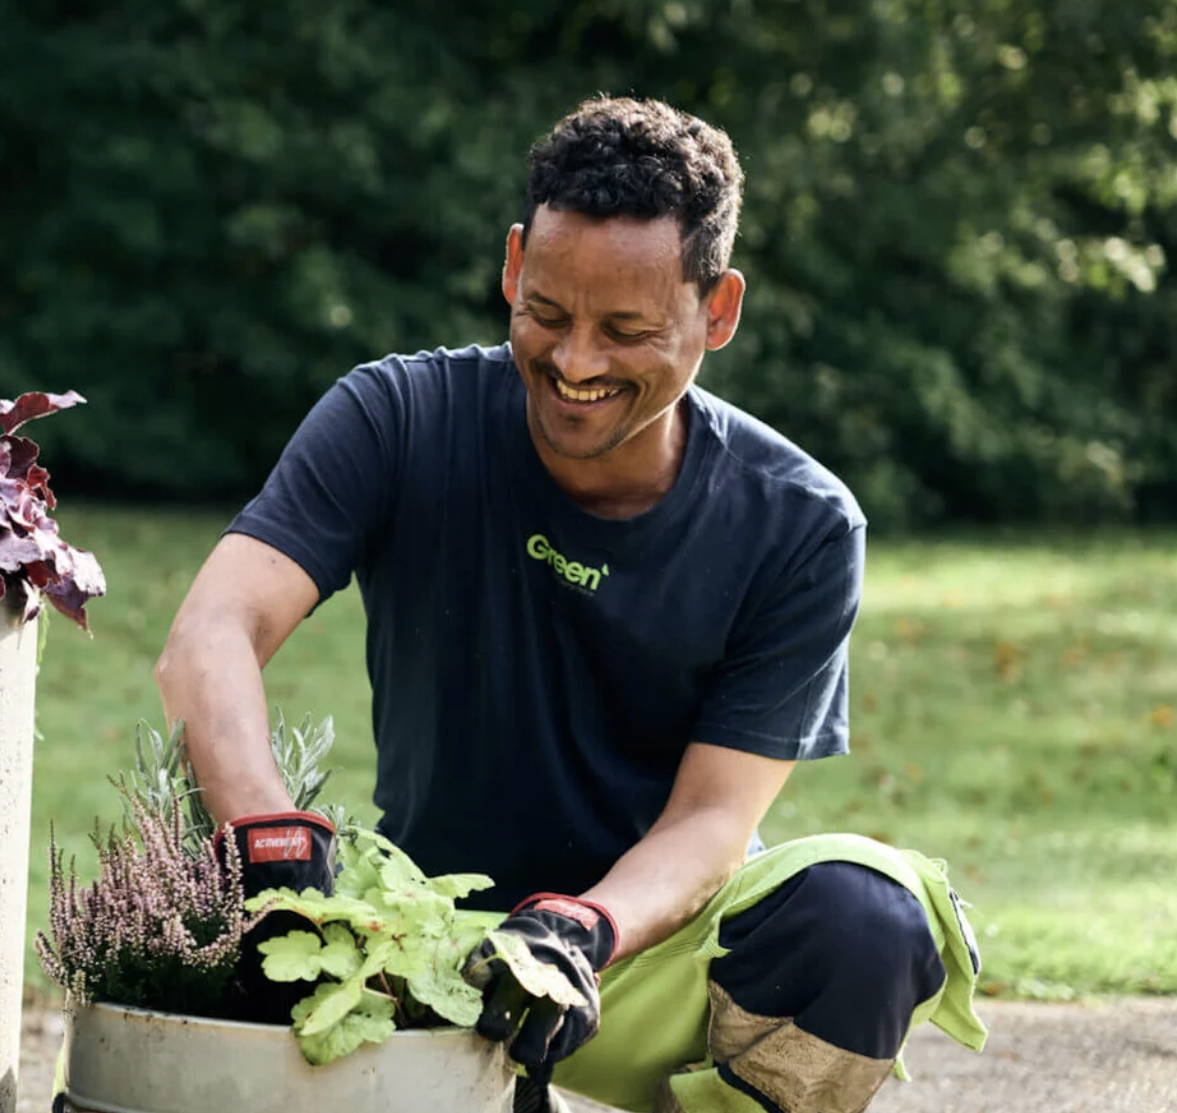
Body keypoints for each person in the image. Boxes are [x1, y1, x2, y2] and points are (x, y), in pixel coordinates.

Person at [155, 97, 985, 1113]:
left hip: (641, 952)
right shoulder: (396, 417)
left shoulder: (799, 523)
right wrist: (269, 841)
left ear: (716, 312)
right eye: (545, 312)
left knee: (868, 916)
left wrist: (578, 928)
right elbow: (213, 629)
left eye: (626, 330)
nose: (575, 362)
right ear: (512, 267)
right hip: (418, 943)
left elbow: (714, 817)